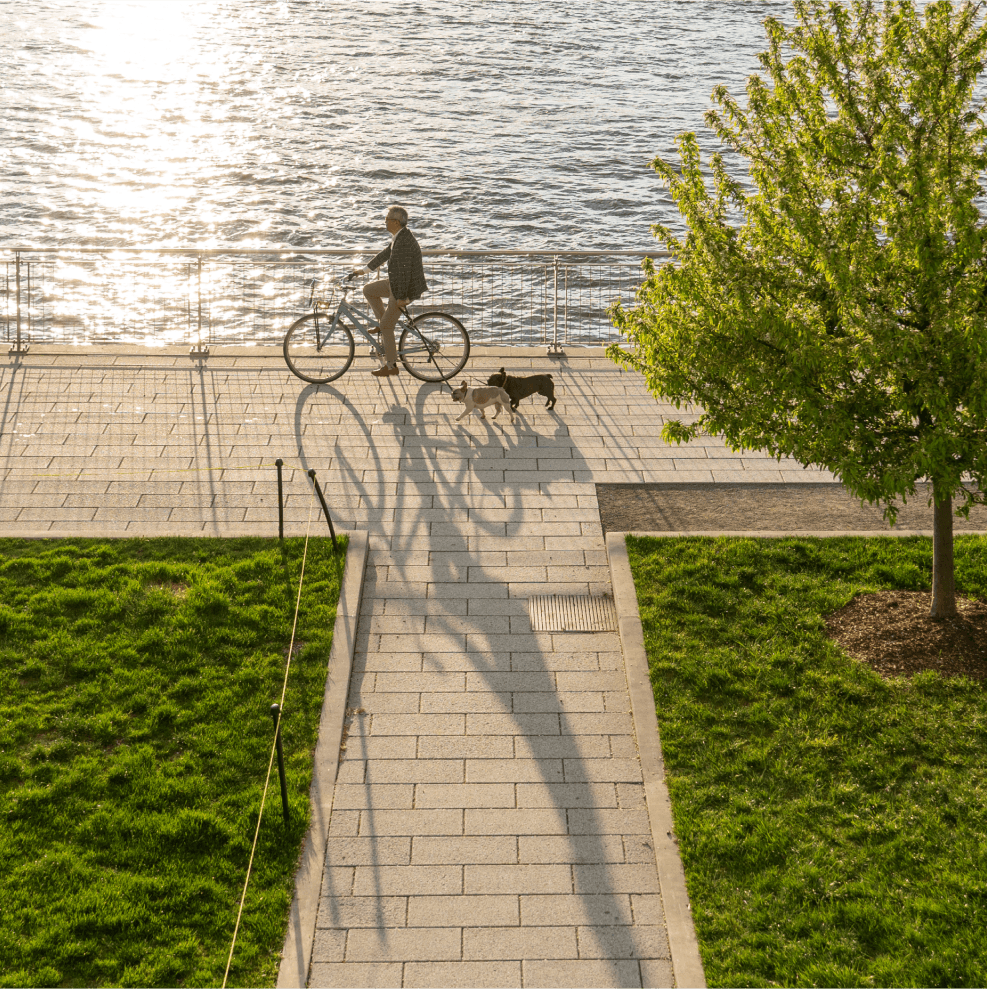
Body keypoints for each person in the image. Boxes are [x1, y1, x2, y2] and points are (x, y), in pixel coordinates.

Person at [355, 205, 428, 377]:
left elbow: (404, 274)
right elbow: (384, 254)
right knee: (369, 290)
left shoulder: (403, 242)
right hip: (395, 282)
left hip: (403, 288)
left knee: (388, 326)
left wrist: (403, 298)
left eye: (387, 218)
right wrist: (363, 271)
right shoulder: (399, 237)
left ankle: (391, 366)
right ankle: (383, 324)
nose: (384, 221)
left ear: (395, 221)